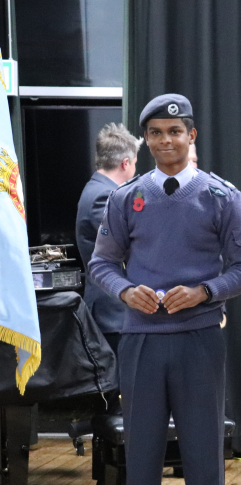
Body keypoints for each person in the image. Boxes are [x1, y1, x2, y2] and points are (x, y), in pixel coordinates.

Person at [89, 93, 241, 485]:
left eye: (174, 132)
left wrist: (206, 291)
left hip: (199, 342)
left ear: (191, 135)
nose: (166, 140)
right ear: (146, 140)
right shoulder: (126, 198)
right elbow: (101, 264)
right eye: (156, 133)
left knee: (204, 462)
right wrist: (126, 291)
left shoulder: (222, 196)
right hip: (140, 343)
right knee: (141, 462)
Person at [76, 123, 140, 354]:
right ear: (125, 163)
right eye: (135, 163)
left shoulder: (98, 189)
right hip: (112, 313)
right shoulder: (103, 196)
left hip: (114, 310)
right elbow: (129, 247)